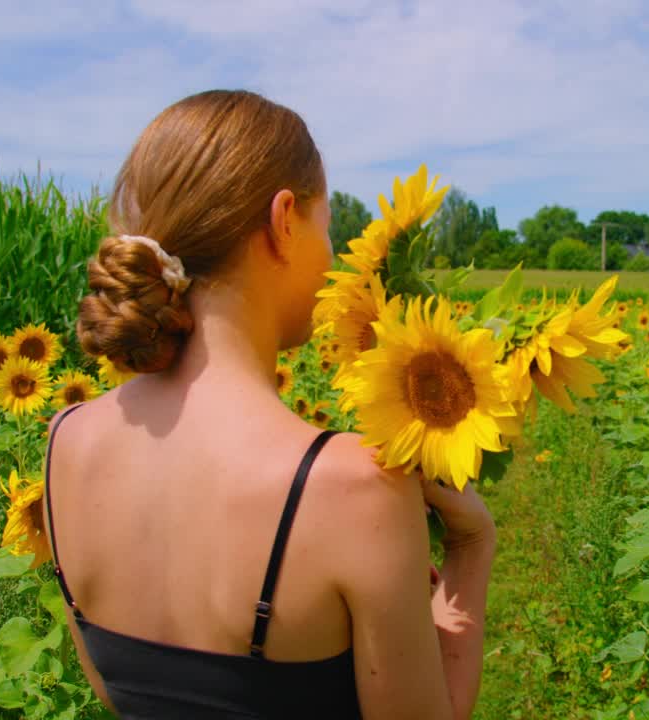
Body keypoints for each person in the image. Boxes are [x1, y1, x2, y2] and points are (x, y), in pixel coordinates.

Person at [42, 89, 495, 719]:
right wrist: (471, 548)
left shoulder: (65, 441)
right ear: (284, 220)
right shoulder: (351, 486)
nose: (332, 255)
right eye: (326, 224)